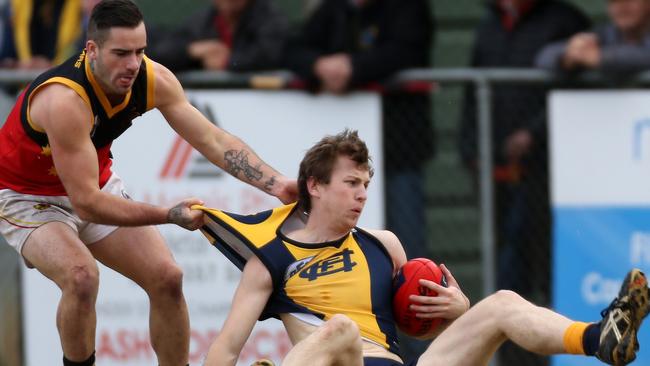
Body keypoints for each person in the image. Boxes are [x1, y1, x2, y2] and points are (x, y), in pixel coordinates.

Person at [0, 0, 296, 365]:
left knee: (167, 277)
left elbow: (214, 141)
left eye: (140, 51)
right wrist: (167, 215)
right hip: (28, 196)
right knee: (80, 277)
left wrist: (277, 183)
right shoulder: (64, 100)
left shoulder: (151, 77)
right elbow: (88, 204)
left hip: (91, 183)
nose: (132, 65)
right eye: (121, 53)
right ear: (91, 49)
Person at [196, 129, 650, 366]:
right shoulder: (272, 259)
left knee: (502, 303)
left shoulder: (383, 244)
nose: (362, 194)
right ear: (314, 185)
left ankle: (598, 339)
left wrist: (457, 310)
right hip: (341, 359)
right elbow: (226, 349)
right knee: (339, 330)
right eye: (351, 183)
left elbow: (419, 329)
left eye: (366, 184)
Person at [284, 0, 435, 297]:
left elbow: (409, 51)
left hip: (399, 153)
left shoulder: (407, 10)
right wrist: (319, 65)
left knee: (408, 253)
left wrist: (355, 68)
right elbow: (292, 49)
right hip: (343, 159)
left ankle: (416, 340)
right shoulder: (333, 10)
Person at [146, 0, 289, 73]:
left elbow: (271, 56)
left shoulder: (270, 18)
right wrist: (192, 50)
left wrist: (228, 62)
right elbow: (161, 54)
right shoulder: (203, 20)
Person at [536, 0, 650, 75]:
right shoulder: (605, 33)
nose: (622, 7)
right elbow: (545, 56)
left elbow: (644, 56)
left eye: (630, 0)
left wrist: (601, 57)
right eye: (614, 1)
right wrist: (568, 57)